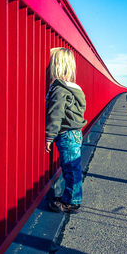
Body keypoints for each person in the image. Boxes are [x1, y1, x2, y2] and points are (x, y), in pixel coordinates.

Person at [45, 47, 87, 213]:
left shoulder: (60, 90)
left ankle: (72, 202)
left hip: (67, 135)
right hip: (75, 134)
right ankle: (70, 197)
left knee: (70, 168)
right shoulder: (74, 88)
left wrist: (49, 137)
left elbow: (55, 115)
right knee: (73, 168)